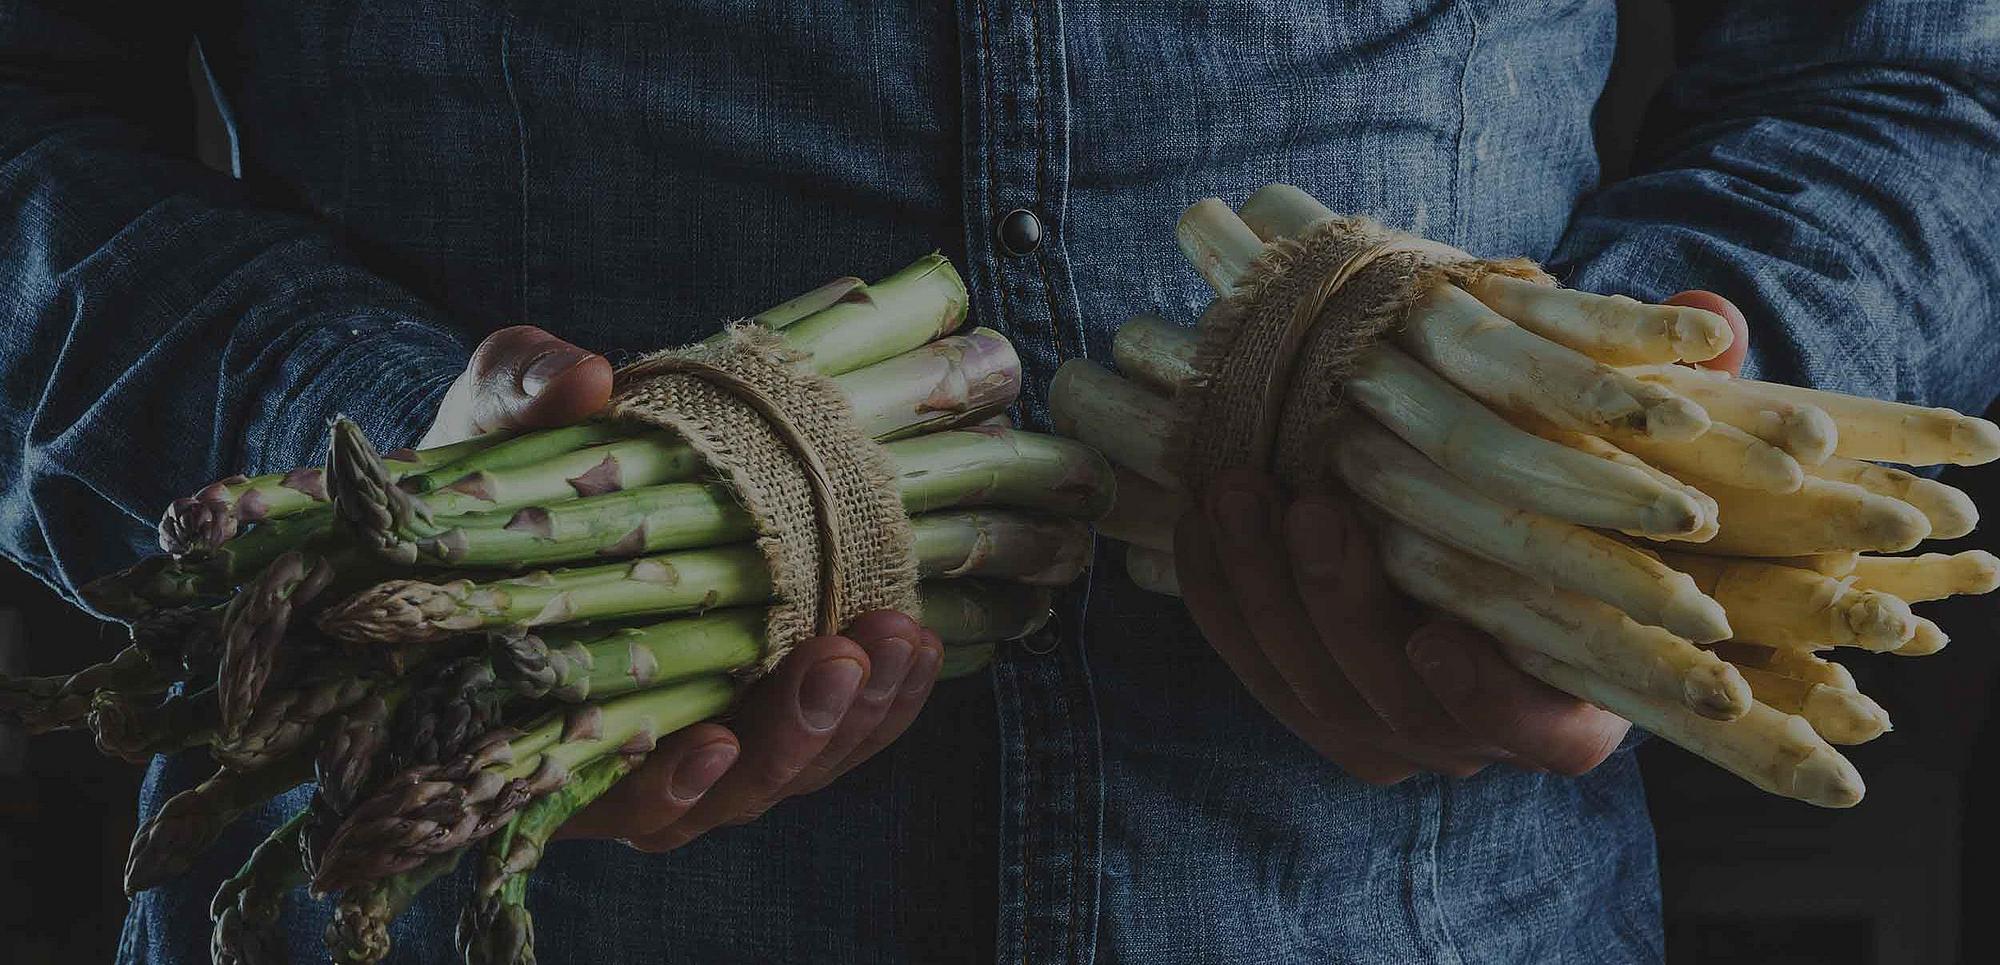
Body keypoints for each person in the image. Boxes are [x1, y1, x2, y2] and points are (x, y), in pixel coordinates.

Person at [3, 2, 1996, 962]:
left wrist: (1630, 447)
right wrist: (366, 458)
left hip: (1421, 916)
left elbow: (1929, 74)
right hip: (475, 827)